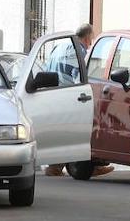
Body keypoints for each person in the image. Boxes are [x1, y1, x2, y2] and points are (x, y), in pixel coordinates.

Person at [44, 24, 113, 178]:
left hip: (51, 95)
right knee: (78, 133)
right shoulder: (79, 51)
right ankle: (84, 167)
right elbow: (79, 77)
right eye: (91, 39)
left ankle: (54, 166)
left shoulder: (59, 47)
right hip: (69, 97)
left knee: (61, 132)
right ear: (87, 38)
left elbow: (46, 68)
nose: (90, 44)